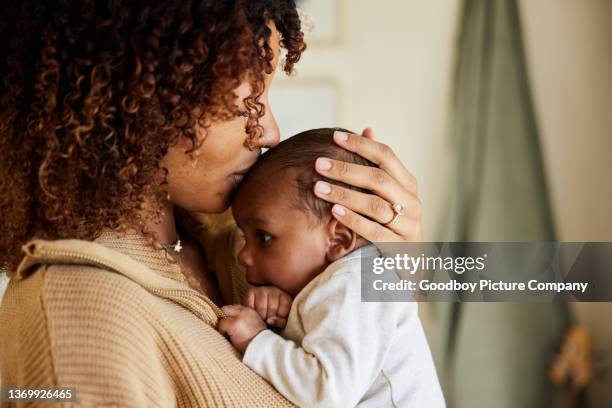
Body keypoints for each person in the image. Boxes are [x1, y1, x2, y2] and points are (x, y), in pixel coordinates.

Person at [0, 1, 424, 406]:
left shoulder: (236, 231)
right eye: (245, 106)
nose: (269, 132)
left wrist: (391, 267)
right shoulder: (80, 319)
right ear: (140, 98)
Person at [219, 128, 445, 407]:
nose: (243, 257)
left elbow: (328, 393)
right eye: (244, 237)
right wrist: (289, 319)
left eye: (263, 238)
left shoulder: (352, 283)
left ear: (338, 238)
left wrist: (257, 340)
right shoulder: (349, 279)